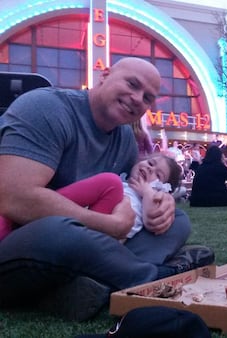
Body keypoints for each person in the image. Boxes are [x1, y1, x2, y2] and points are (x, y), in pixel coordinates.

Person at [0, 57, 214, 321]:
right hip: (20, 241)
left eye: (147, 98)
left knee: (177, 221)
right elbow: (14, 199)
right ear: (104, 76)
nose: (137, 99)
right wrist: (107, 225)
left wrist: (160, 203)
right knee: (60, 230)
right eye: (132, 84)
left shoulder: (124, 137)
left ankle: (82, 288)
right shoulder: (46, 108)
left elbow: (127, 192)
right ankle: (151, 279)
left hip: (76, 250)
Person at [0, 153, 181, 244]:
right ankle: (25, 213)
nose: (150, 169)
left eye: (158, 174)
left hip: (103, 238)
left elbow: (152, 219)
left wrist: (147, 191)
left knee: (109, 182)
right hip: (90, 223)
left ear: (164, 187)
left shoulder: (153, 195)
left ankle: (30, 209)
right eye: (150, 163)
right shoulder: (123, 181)